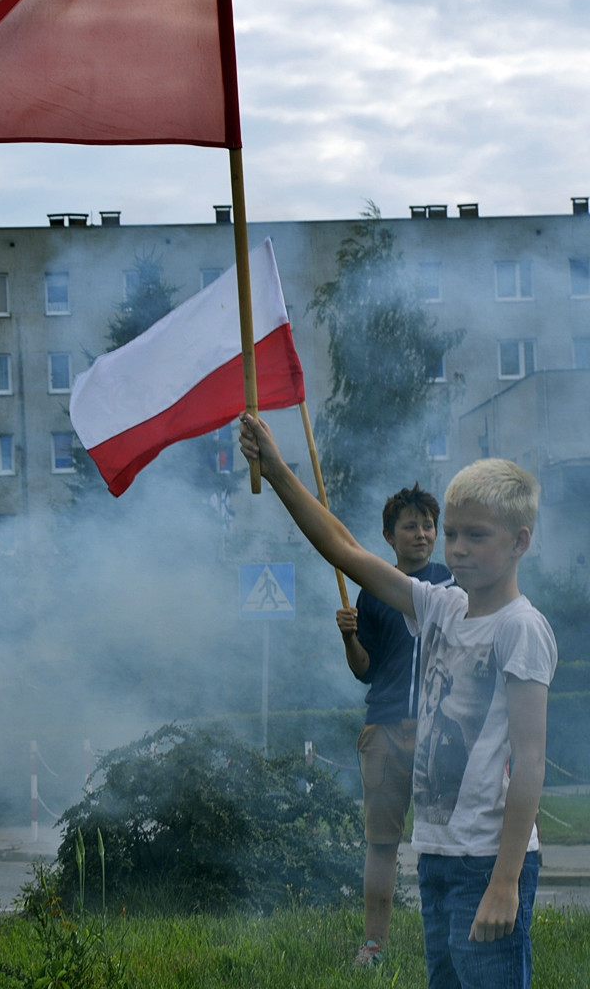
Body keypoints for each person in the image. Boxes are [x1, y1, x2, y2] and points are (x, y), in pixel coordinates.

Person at [238, 412, 557, 989]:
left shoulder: (521, 628)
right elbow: (343, 549)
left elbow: (531, 762)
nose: (455, 548)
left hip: (487, 863)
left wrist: (506, 880)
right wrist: (278, 469)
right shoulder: (437, 605)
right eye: (452, 533)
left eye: (474, 535)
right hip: (436, 857)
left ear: (519, 542)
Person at [336, 484, 453, 966]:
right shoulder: (374, 589)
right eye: (410, 526)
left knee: (445, 842)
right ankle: (374, 943)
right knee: (382, 844)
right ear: (389, 536)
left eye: (428, 525)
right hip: (384, 729)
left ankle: (447, 937)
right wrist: (348, 637)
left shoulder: (451, 585)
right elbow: (365, 668)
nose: (421, 534)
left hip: (443, 732)